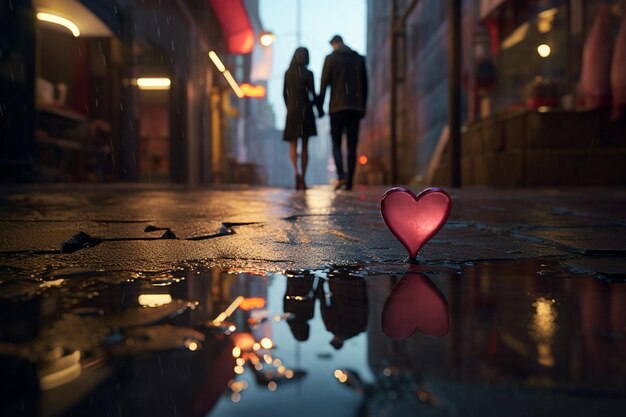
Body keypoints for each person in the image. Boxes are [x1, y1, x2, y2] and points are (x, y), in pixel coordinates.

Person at [319, 35, 368, 191]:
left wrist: (319, 107)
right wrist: (363, 107)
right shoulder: (359, 59)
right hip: (355, 108)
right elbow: (365, 85)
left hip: (337, 108)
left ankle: (341, 176)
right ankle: (350, 181)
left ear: (334, 44)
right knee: (352, 145)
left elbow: (324, 84)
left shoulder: (331, 58)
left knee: (336, 144)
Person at [283, 47, 324, 190]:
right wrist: (319, 109)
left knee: (293, 144)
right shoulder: (308, 73)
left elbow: (284, 94)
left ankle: (296, 172)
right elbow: (313, 93)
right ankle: (304, 179)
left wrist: (290, 107)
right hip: (306, 111)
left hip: (292, 111)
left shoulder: (288, 74)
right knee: (305, 146)